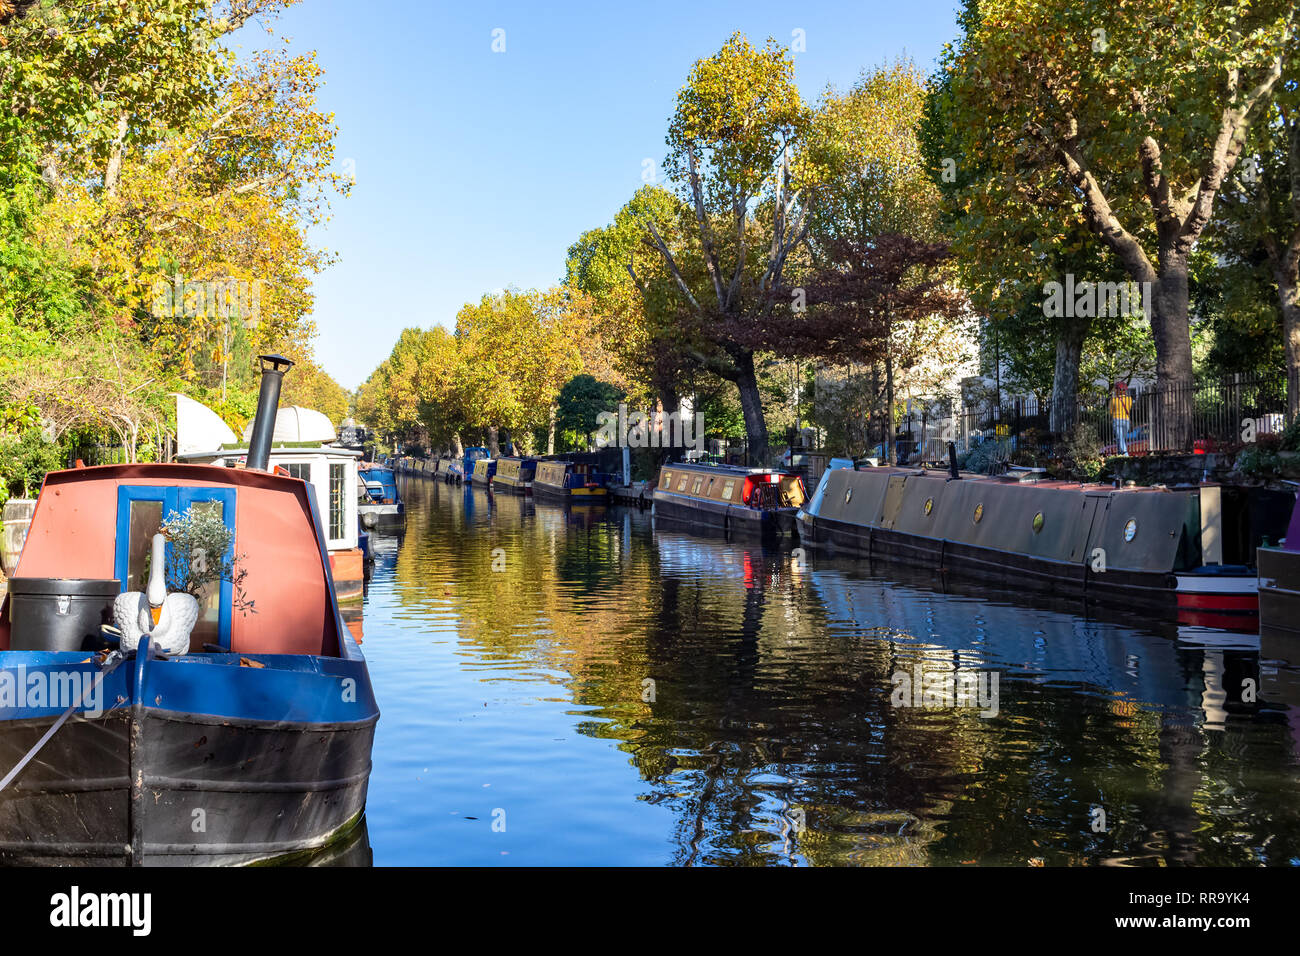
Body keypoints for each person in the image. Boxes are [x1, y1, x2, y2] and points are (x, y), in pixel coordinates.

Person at [1109, 381, 1132, 455]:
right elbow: (1129, 408)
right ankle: (1120, 454)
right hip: (1126, 420)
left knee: (1120, 438)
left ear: (1117, 390)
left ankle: (1125, 454)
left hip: (1117, 420)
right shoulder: (1129, 399)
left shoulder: (1113, 400)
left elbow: (1110, 411)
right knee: (1122, 439)